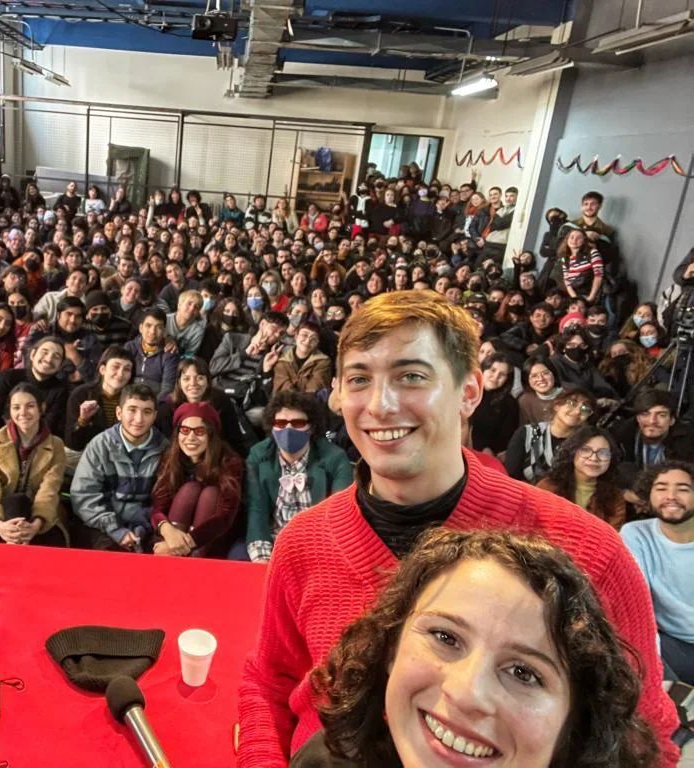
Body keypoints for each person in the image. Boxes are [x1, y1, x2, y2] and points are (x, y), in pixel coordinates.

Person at [236, 291, 679, 767]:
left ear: (469, 392)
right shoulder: (304, 540)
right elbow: (269, 681)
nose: (380, 405)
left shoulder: (589, 552)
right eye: (359, 379)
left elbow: (644, 736)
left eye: (411, 376)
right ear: (338, 395)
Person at [293, 529, 658, 767]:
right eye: (445, 637)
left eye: (523, 673)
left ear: (576, 722)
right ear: (391, 649)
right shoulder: (329, 759)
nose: (467, 694)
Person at [243, 391, 353, 563]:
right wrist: (262, 559)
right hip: (275, 540)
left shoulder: (335, 458)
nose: (288, 429)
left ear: (312, 427)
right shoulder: (259, 455)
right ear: (272, 426)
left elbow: (340, 517)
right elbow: (257, 510)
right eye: (280, 423)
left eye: (298, 423)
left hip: (320, 544)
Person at [69, 383, 168, 552]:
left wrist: (141, 528)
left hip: (147, 527)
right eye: (132, 410)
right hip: (103, 525)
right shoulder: (100, 445)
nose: (139, 419)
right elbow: (84, 496)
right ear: (119, 413)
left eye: (147, 412)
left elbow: (164, 500)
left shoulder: (164, 449)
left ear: (154, 416)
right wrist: (116, 530)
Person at [623, 462, 694, 684]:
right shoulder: (636, 534)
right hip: (672, 645)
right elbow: (635, 602)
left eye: (683, 489)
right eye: (661, 488)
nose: (671, 496)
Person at [0, 382, 69, 547]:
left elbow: (50, 488)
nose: (23, 413)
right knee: (15, 503)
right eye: (16, 407)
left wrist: (36, 524)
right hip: (2, 513)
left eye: (30, 406)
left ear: (41, 408)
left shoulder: (56, 445)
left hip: (40, 515)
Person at [149, 402, 243, 558]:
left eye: (199, 431)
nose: (190, 438)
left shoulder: (229, 462)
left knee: (210, 493)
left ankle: (193, 559)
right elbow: (158, 508)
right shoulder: (170, 458)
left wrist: (187, 543)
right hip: (173, 536)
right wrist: (168, 532)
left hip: (212, 538)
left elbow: (225, 517)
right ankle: (173, 558)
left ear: (211, 435)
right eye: (185, 430)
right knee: (190, 489)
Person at [537, 425, 627, 529]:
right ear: (572, 452)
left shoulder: (615, 498)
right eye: (586, 450)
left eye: (603, 453)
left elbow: (612, 535)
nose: (594, 458)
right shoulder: (547, 487)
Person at [503, 387, 596, 482]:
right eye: (572, 403)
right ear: (557, 405)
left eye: (585, 409)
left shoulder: (585, 443)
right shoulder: (529, 432)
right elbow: (509, 475)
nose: (577, 411)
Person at [0, 336, 70, 436]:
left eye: (56, 357)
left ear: (60, 365)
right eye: (44, 352)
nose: (49, 359)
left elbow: (48, 427)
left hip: (37, 441)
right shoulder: (9, 377)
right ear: (33, 355)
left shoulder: (61, 390)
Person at [64, 345, 134, 451]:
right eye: (115, 367)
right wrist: (82, 420)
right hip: (86, 451)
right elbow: (72, 444)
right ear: (102, 369)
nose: (120, 374)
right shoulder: (81, 394)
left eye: (127, 369)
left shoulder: (133, 399)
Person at [469, 352, 519, 455]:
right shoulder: (465, 391)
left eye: (502, 374)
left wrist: (488, 449)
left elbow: (505, 438)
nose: (496, 377)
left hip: (486, 453)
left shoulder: (510, 404)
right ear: (483, 369)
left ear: (507, 379)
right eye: (492, 370)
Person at [125, 307, 178, 399]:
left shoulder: (169, 353)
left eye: (159, 327)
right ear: (141, 328)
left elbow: (168, 388)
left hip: (154, 401)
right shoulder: (130, 348)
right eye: (148, 326)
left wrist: (152, 404)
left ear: (164, 331)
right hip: (128, 398)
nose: (153, 332)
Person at [272, 319, 332, 395]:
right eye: (304, 335)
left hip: (309, 401)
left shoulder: (323, 362)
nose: (308, 341)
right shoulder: (282, 359)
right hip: (284, 400)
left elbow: (315, 388)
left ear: (317, 343)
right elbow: (282, 387)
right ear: (296, 336)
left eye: (313, 338)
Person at [517, 355, 562, 424]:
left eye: (545, 373)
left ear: (553, 373)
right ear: (527, 380)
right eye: (534, 376)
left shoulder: (571, 393)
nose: (541, 379)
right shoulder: (524, 401)